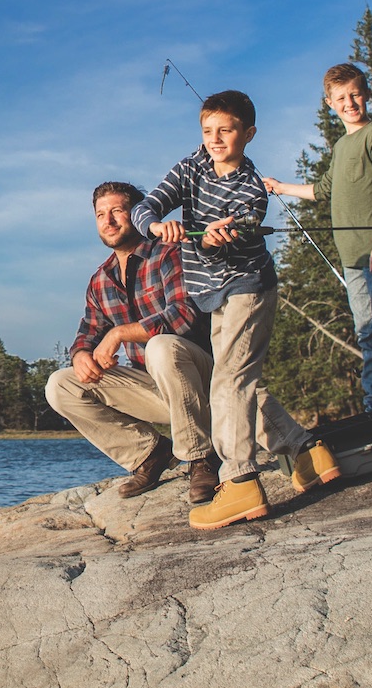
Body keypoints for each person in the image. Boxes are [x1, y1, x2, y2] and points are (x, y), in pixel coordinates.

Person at [135, 90, 338, 530]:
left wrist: (208, 239)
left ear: (248, 134)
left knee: (229, 380)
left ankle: (240, 481)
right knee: (236, 379)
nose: (215, 139)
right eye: (208, 130)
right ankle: (307, 453)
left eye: (225, 130)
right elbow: (146, 205)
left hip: (249, 288)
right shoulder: (191, 165)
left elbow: (236, 242)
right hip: (213, 296)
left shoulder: (251, 188)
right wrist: (156, 224)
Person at [45, 181, 223, 504]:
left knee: (160, 346)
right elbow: (87, 331)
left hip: (203, 385)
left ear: (137, 215)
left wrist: (119, 334)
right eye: (100, 214)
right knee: (60, 385)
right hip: (156, 390)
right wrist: (81, 354)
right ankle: (150, 454)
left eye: (116, 211)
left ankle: (203, 457)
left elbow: (185, 316)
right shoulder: (101, 280)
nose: (108, 221)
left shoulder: (169, 252)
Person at [263, 62, 372, 428]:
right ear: (329, 103)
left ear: (367, 94)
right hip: (352, 257)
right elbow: (323, 190)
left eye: (355, 94)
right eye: (341, 97)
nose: (350, 102)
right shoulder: (343, 145)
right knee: (367, 332)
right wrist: (281, 187)